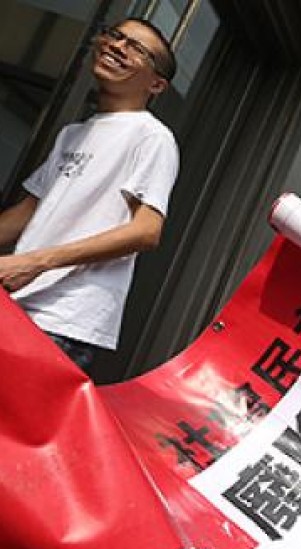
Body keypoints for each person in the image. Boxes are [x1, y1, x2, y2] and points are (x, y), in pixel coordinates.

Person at [0, 19, 178, 371]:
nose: (117, 46)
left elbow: (147, 231)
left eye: (136, 48)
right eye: (115, 36)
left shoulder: (152, 137)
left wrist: (37, 261)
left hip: (64, 320)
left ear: (156, 84)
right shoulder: (72, 134)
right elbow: (26, 214)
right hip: (18, 303)